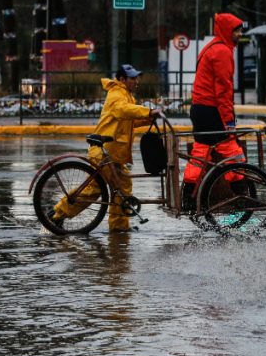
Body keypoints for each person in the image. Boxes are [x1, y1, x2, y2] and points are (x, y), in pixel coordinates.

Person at [49, 64, 160, 232]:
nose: (136, 81)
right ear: (122, 79)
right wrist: (147, 112)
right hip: (105, 152)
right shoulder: (117, 94)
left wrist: (148, 118)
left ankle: (119, 225)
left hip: (112, 154)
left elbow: (127, 120)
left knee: (121, 187)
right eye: (133, 78)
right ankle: (58, 214)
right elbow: (122, 110)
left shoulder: (126, 95)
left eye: (137, 78)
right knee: (93, 191)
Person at [181, 13, 246, 210]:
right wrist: (229, 122)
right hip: (212, 109)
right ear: (228, 31)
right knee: (230, 149)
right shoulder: (222, 52)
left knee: (200, 153)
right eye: (237, 30)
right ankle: (241, 193)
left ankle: (189, 195)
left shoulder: (210, 48)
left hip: (199, 108)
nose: (240, 34)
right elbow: (223, 91)